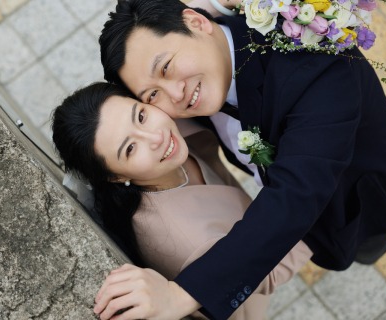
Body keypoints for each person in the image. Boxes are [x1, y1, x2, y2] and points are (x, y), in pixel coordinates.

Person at [98, 0, 386, 318]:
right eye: (152, 96)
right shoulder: (201, 68)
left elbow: (294, 196)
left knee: (367, 243)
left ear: (196, 23)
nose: (175, 95)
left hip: (357, 193)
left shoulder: (315, 65)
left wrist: (181, 294)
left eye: (167, 67)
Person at [51, 82, 313, 319]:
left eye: (140, 116)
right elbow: (265, 267)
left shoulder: (170, 130)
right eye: (130, 148)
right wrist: (316, 209)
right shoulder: (187, 241)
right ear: (115, 177)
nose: (155, 137)